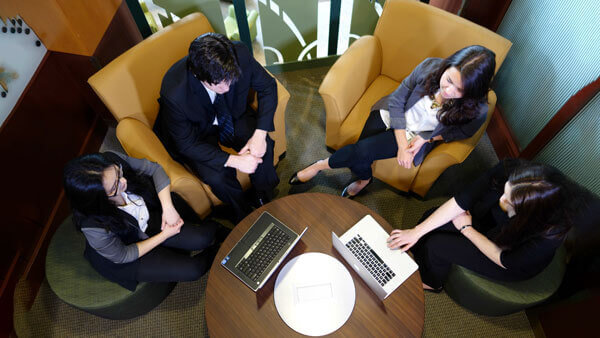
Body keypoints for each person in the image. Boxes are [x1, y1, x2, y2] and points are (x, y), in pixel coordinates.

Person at [289, 45, 496, 198]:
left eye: (460, 90)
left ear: (472, 92)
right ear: (446, 67)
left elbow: (461, 133)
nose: (448, 91)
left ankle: (320, 166)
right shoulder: (430, 67)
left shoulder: (477, 110)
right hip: (391, 112)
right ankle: (364, 178)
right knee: (361, 152)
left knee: (361, 151)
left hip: (414, 134)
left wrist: (426, 139)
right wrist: (401, 147)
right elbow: (397, 99)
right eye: (449, 80)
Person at [386, 159, 582, 292]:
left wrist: (467, 230)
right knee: (431, 217)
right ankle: (411, 261)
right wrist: (416, 232)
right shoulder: (511, 169)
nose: (502, 200)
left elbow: (507, 260)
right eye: (505, 192)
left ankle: (432, 282)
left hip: (507, 257)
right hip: (492, 224)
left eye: (510, 202)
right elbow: (463, 199)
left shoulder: (549, 233)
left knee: (438, 245)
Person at [154, 33, 279, 222]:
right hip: (199, 134)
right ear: (198, 76)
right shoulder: (174, 92)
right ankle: (242, 212)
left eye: (230, 80)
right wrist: (233, 161)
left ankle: (263, 195)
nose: (227, 88)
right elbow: (186, 144)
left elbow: (268, 87)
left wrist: (260, 134)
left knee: (264, 146)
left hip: (232, 114)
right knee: (218, 177)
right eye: (218, 84)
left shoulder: (240, 54)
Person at [63, 151, 229, 291]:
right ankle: (219, 252)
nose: (123, 181)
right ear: (98, 199)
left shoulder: (112, 160)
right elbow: (123, 255)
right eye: (114, 187)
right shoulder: (94, 227)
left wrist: (168, 207)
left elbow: (155, 169)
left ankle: (219, 230)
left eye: (118, 172)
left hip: (148, 218)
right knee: (194, 270)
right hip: (128, 245)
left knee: (203, 237)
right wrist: (164, 236)